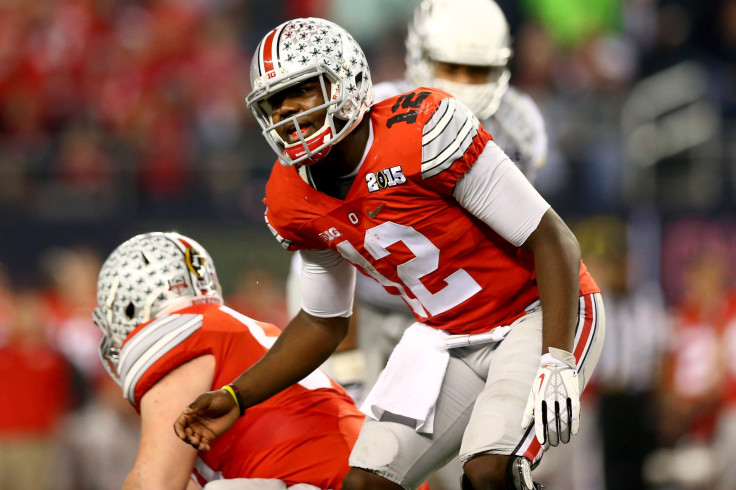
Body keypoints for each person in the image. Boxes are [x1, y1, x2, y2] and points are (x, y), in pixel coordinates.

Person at [175, 17, 605, 490]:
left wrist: (558, 358)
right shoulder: (290, 196)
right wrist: (238, 396)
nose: (287, 112)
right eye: (274, 102)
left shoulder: (421, 130)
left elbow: (552, 238)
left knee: (489, 472)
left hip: (533, 311)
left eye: (303, 90)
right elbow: (323, 321)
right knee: (365, 483)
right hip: (445, 334)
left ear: (346, 81)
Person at [285, 0, 550, 403]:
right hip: (369, 297)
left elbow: (517, 235)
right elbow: (332, 239)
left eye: (477, 70)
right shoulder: (372, 112)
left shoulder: (520, 126)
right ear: (419, 57)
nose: (463, 83)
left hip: (453, 306)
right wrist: (348, 354)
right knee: (352, 417)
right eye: (450, 67)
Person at [92, 232, 365, 489]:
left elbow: (155, 482)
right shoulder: (228, 329)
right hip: (357, 471)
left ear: (127, 305)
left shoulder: (181, 339)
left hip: (317, 480)